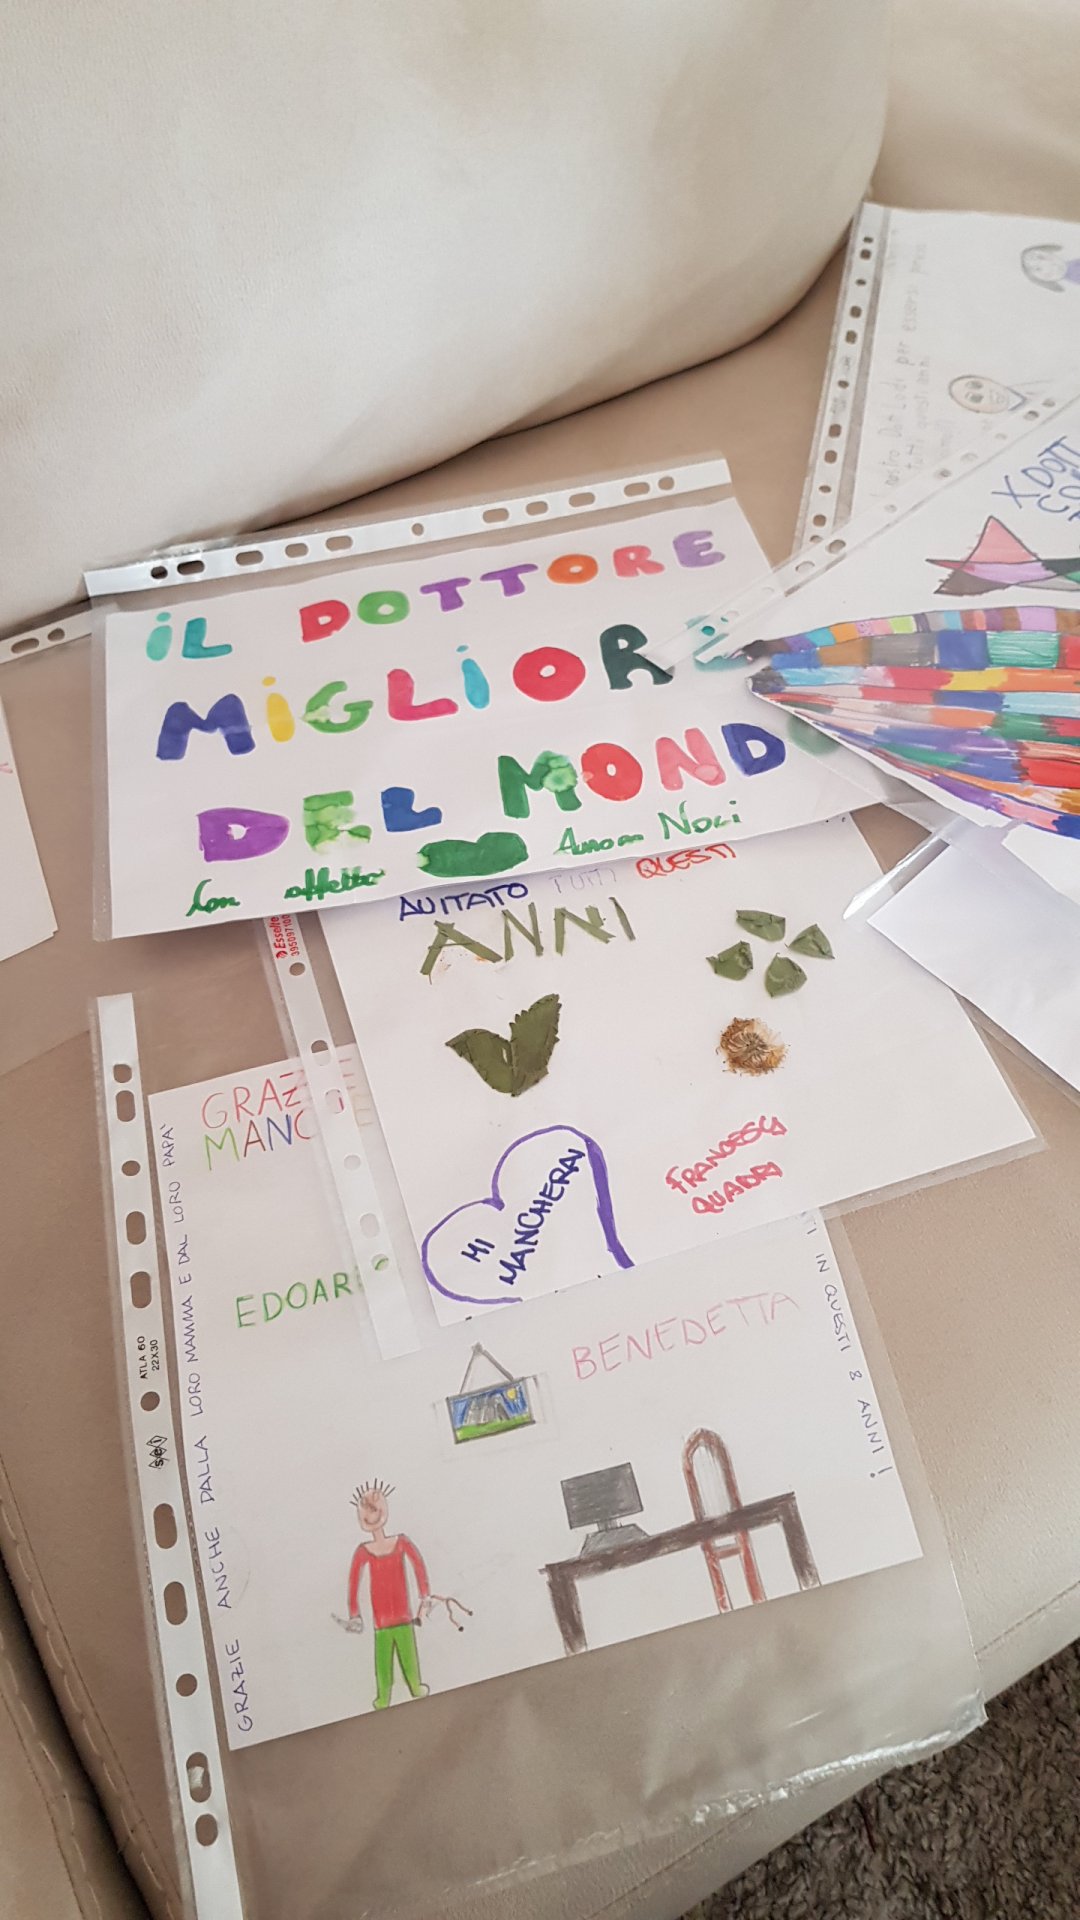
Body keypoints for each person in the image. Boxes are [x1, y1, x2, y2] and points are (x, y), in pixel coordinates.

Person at [345, 1479, 432, 1710]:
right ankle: (383, 1697)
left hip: (404, 1616)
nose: (371, 1514)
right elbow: (354, 1582)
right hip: (380, 1621)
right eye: (365, 1510)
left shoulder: (401, 1542)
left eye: (375, 1508)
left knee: (408, 1655)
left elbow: (418, 1566)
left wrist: (425, 1597)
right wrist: (354, 1614)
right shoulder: (363, 1551)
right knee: (383, 1662)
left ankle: (415, 1686)